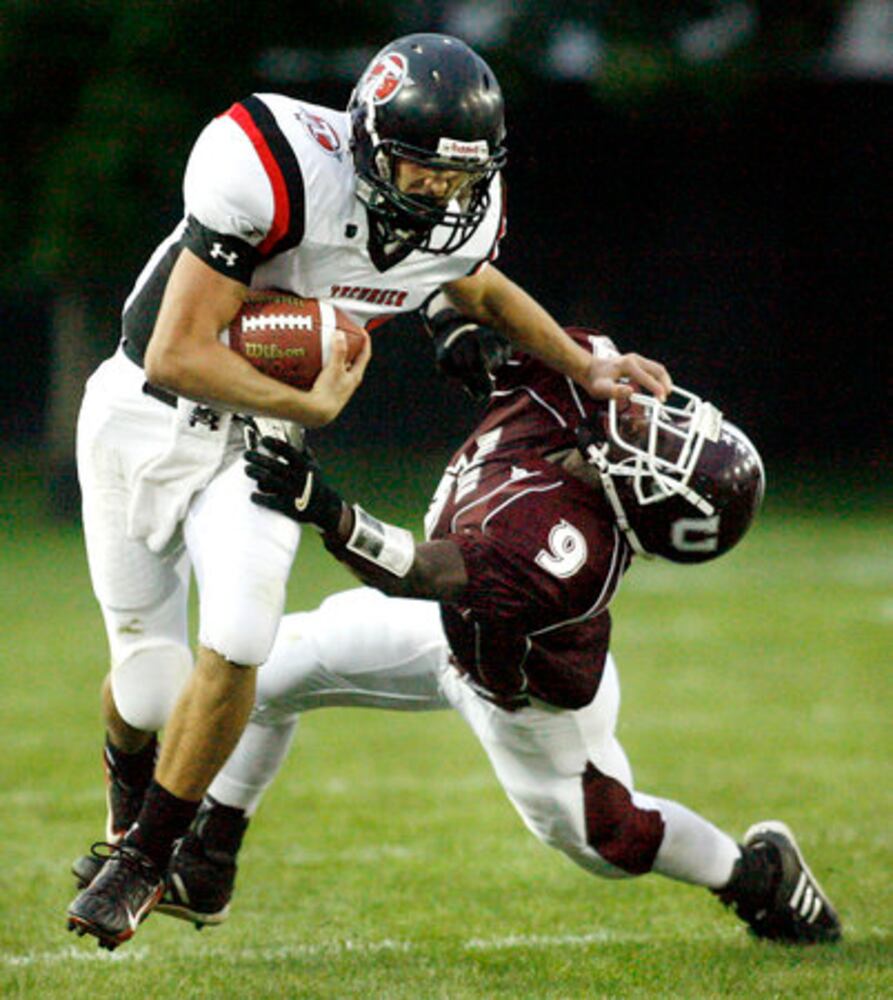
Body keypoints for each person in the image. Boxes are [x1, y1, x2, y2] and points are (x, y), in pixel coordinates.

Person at [66, 33, 672, 951]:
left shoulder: (461, 211)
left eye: (454, 176)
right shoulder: (268, 163)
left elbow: (479, 289)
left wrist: (586, 367)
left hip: (255, 445)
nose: (436, 192)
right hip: (139, 413)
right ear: (363, 141)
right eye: (417, 169)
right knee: (150, 691)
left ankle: (149, 859)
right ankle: (126, 797)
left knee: (242, 634)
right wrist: (307, 397)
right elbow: (176, 351)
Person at [146, 324, 841, 946]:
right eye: (671, 428)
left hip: (526, 696)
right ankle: (207, 864)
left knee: (605, 840)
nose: (649, 423)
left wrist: (324, 509)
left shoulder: (570, 551)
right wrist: (461, 325)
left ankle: (755, 876)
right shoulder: (582, 388)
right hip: (452, 627)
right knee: (260, 674)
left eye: (664, 449)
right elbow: (494, 305)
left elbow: (418, 572)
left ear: (649, 500)